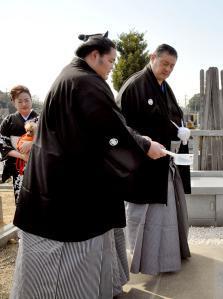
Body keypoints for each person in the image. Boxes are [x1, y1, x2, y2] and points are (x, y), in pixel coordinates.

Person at [10, 32, 166, 299]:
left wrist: (139, 141)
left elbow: (104, 128)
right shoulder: (84, 83)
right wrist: (143, 146)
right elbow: (110, 130)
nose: (112, 68)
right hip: (67, 190)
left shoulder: (71, 76)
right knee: (65, 273)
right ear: (94, 56)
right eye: (110, 62)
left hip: (63, 179)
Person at [117, 44, 191, 276]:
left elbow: (172, 117)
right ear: (152, 58)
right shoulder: (135, 85)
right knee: (143, 215)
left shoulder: (164, 87)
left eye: (172, 66)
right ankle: (143, 261)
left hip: (162, 161)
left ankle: (166, 259)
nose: (168, 69)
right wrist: (145, 145)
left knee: (166, 215)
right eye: (164, 63)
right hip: (141, 165)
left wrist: (180, 130)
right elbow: (121, 126)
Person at [0, 85, 38, 202]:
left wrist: (32, 143)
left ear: (31, 100)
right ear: (14, 103)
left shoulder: (41, 119)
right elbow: (2, 143)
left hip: (38, 164)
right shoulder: (8, 121)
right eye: (19, 101)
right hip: (18, 166)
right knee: (21, 199)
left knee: (39, 199)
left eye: (27, 100)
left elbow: (51, 138)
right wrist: (22, 156)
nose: (24, 104)